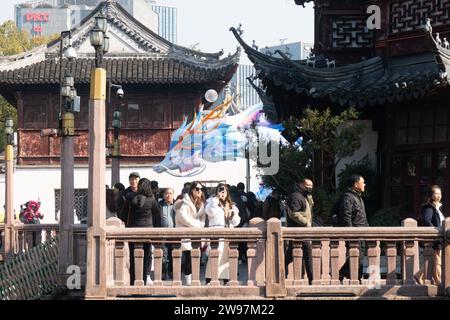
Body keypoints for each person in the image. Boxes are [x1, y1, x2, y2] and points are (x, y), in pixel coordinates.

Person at [126, 178, 160, 286]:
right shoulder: (151, 200)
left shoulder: (131, 198)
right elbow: (157, 213)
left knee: (133, 257)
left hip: (133, 232)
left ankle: (133, 283)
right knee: (146, 257)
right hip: (147, 232)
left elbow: (122, 214)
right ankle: (143, 282)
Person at [204, 183, 240, 285]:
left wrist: (232, 215)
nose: (222, 193)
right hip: (215, 232)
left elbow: (236, 222)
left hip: (228, 234)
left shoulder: (231, 205)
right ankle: (210, 279)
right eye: (220, 190)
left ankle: (226, 279)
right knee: (214, 256)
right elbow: (210, 213)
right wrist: (216, 199)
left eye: (224, 191)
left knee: (226, 259)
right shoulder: (211, 202)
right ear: (216, 192)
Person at [337, 174, 368, 280]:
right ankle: (342, 274)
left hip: (361, 232)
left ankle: (355, 277)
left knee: (360, 256)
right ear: (356, 184)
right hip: (355, 233)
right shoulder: (348, 197)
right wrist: (351, 234)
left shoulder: (357, 196)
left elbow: (361, 216)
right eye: (362, 182)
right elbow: (346, 217)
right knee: (356, 256)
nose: (364, 184)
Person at [175, 181, 206, 285]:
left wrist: (201, 225)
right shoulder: (184, 201)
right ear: (192, 190)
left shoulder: (201, 202)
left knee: (195, 256)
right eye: (197, 189)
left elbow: (203, 218)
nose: (199, 191)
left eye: (201, 189)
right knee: (186, 256)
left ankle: (193, 278)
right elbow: (182, 217)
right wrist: (197, 224)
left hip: (196, 233)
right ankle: (187, 280)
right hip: (185, 233)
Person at [285, 179, 314, 282]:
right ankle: (312, 279)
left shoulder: (303, 196)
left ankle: (281, 272)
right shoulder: (295, 196)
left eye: (311, 186)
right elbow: (294, 213)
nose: (310, 188)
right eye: (308, 186)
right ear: (301, 185)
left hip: (302, 231)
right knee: (307, 255)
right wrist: (306, 222)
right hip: (299, 230)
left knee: (289, 256)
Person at [420, 185, 445, 285]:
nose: (438, 196)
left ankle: (418, 276)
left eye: (440, 193)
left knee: (434, 260)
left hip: (440, 237)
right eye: (436, 193)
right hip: (436, 238)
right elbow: (426, 220)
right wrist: (435, 232)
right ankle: (439, 282)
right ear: (431, 195)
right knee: (438, 260)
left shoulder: (437, 208)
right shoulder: (429, 207)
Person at [158, 187, 176, 280]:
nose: (168, 195)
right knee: (164, 254)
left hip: (174, 234)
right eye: (167, 193)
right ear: (163, 195)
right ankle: (164, 273)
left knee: (173, 254)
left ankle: (172, 272)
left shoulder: (177, 205)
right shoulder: (159, 205)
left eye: (170, 193)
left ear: (173, 195)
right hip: (163, 234)